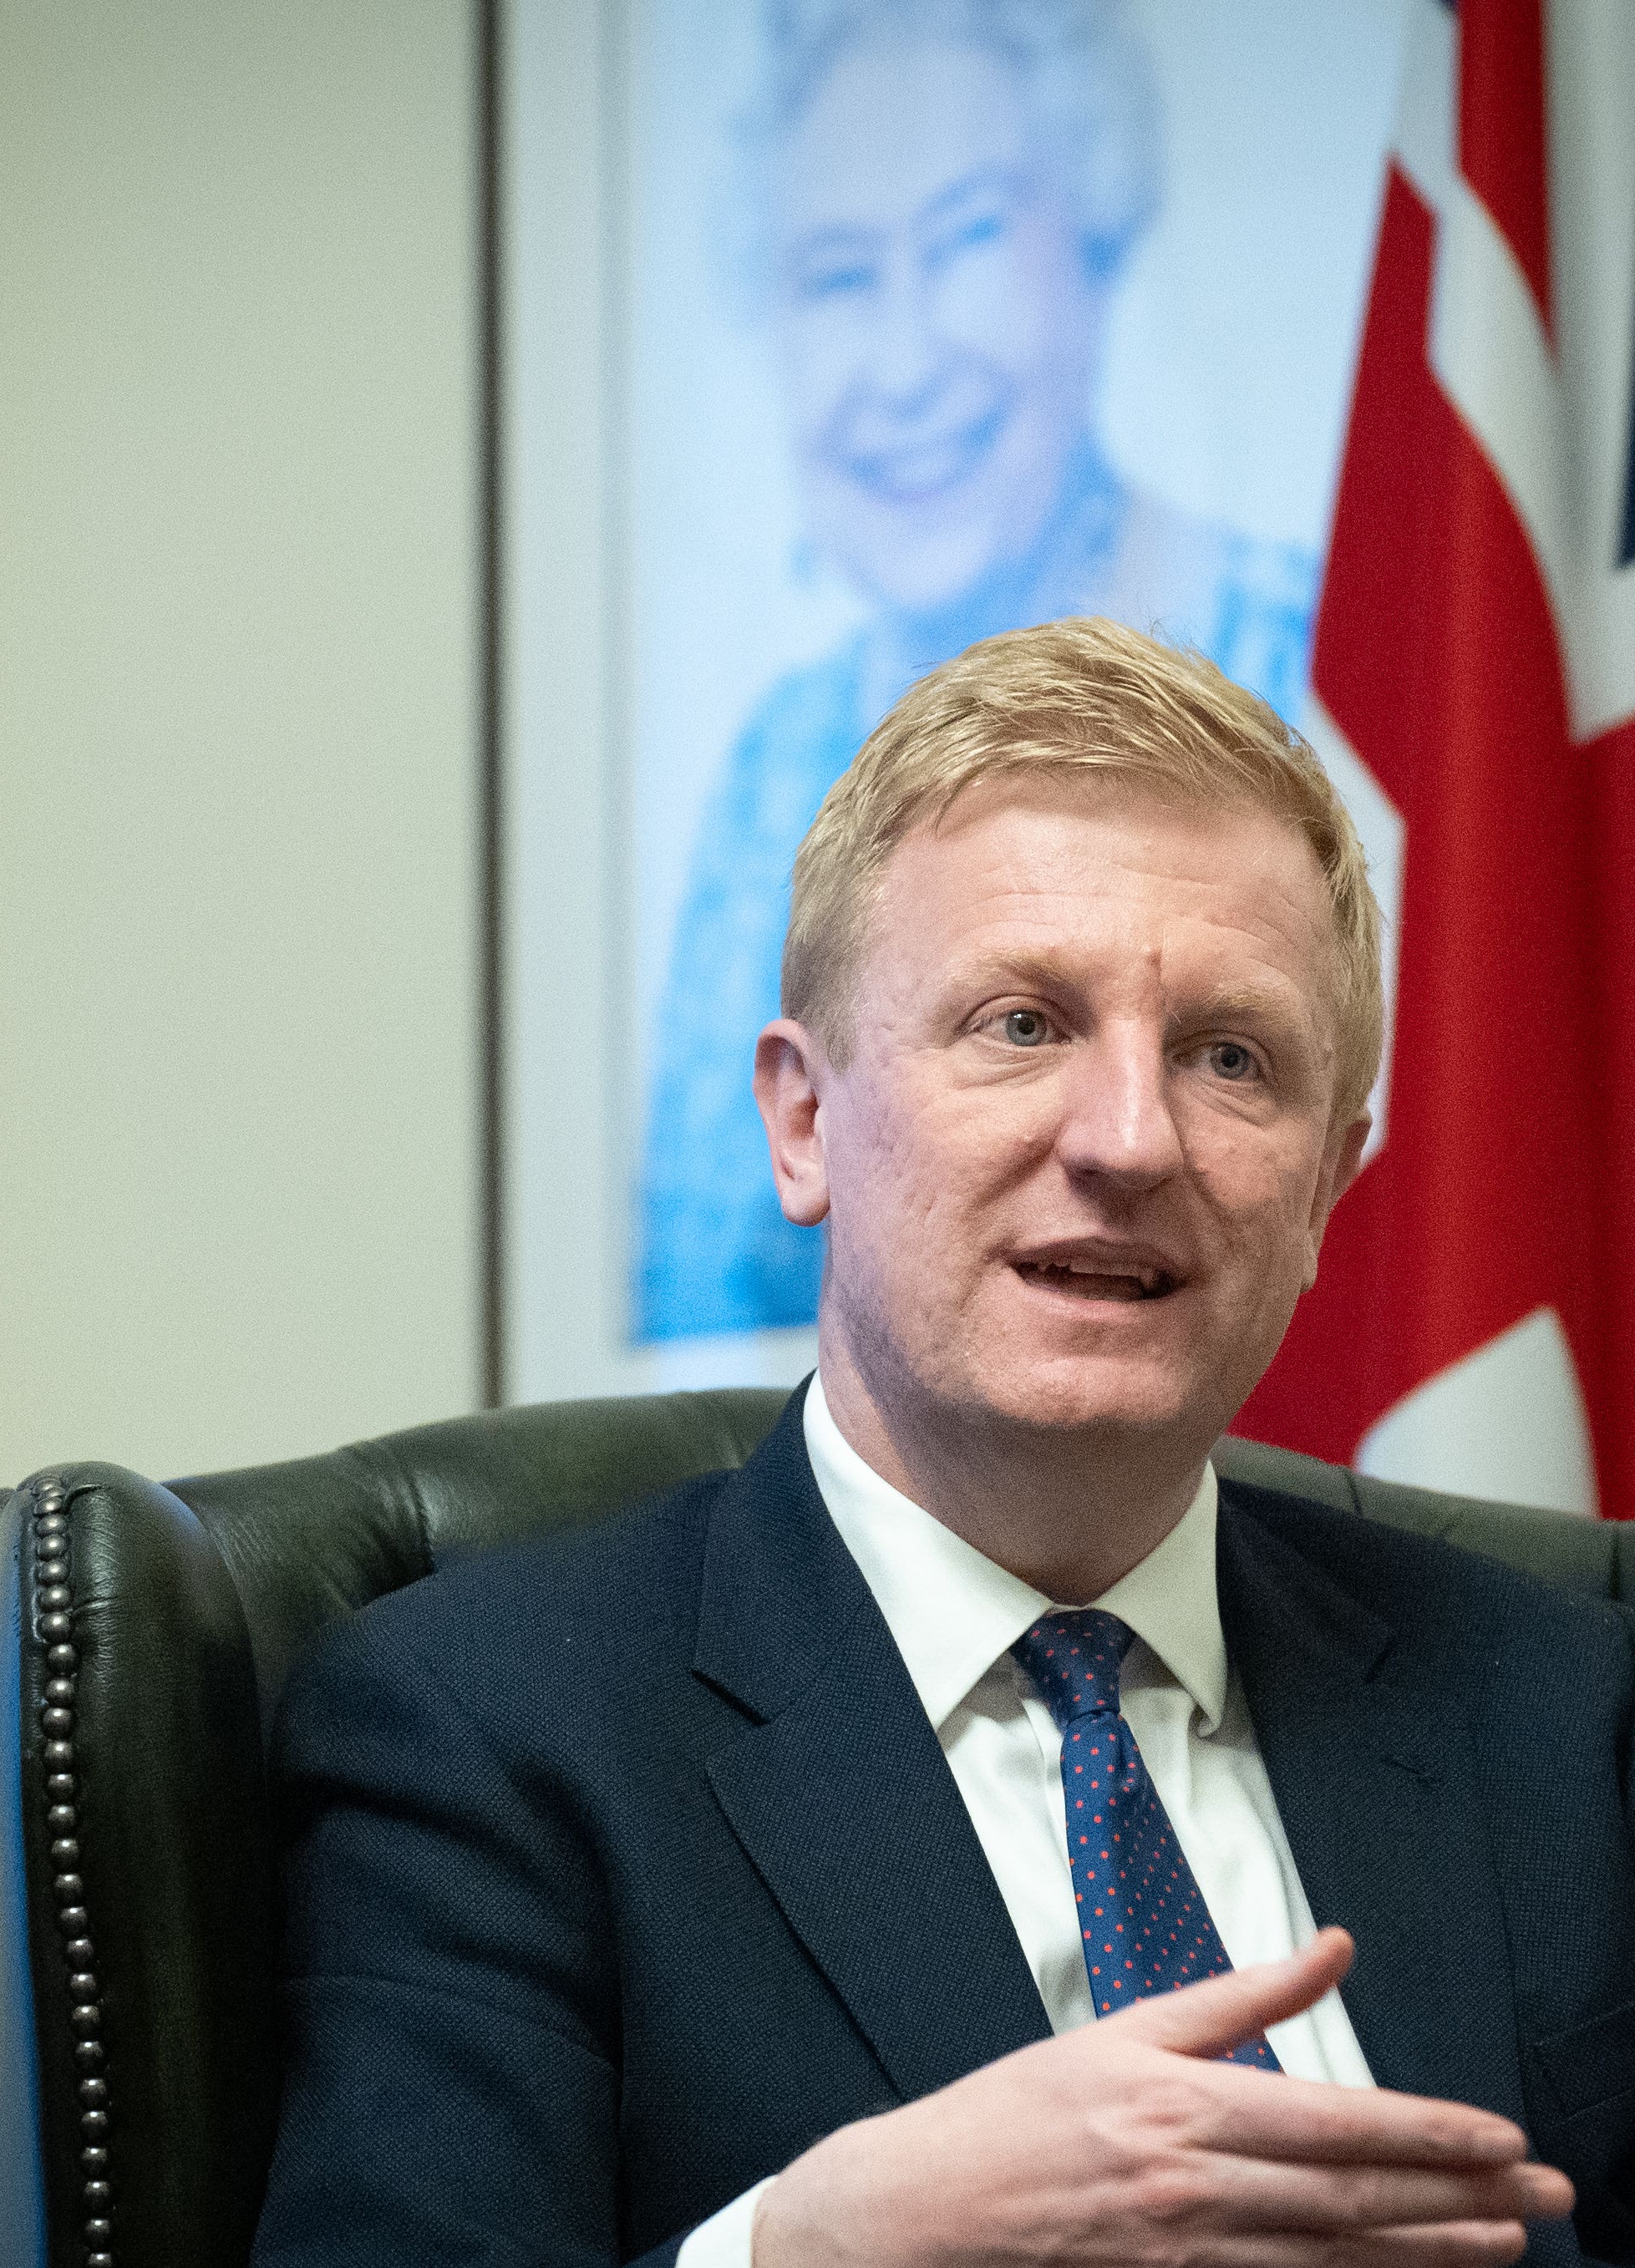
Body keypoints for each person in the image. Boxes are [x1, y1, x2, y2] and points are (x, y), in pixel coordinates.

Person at [248, 620, 1635, 2268]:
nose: (1131, 1137)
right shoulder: (486, 1718)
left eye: (1234, 1057)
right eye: (1022, 1022)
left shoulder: (1545, 1697)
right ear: (802, 1120)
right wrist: (846, 2259)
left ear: (1330, 1178)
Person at [637, 0, 1324, 1342]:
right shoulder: (771, 769)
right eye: (837, 276)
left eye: (963, 243)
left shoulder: (1333, 674)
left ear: (1095, 247)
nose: (903, 363)